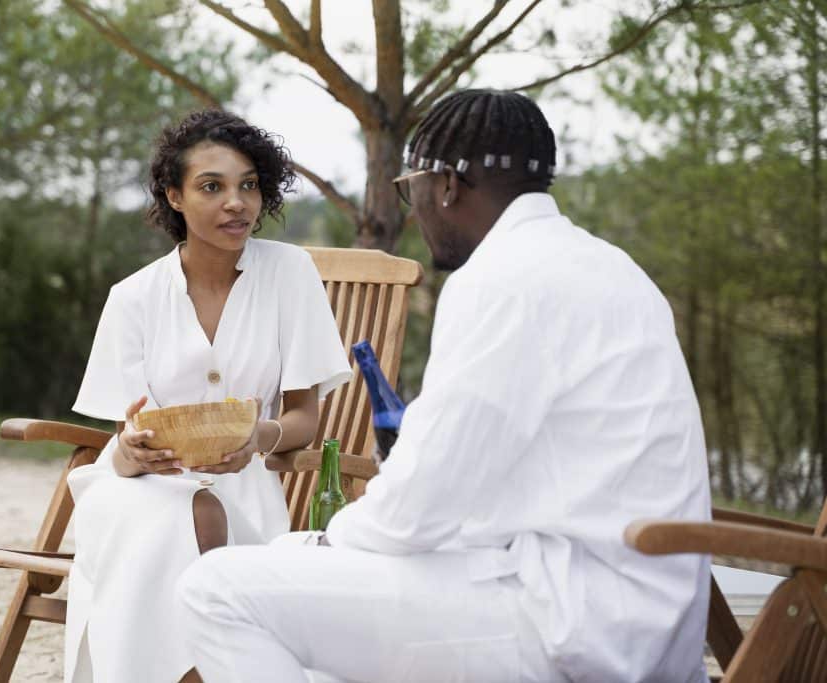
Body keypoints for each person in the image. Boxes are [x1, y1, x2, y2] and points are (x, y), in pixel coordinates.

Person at [175, 89, 712, 682]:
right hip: (637, 618)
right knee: (288, 574)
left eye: (411, 189)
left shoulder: (502, 280)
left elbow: (417, 508)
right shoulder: (613, 268)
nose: (415, 209)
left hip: (566, 626)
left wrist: (330, 541)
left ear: (447, 185)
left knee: (217, 589)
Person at [65, 109, 351, 683]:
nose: (237, 203)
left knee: (202, 511)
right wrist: (130, 452)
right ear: (173, 196)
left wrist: (258, 438)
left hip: (245, 486)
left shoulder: (289, 273)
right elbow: (123, 440)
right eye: (211, 186)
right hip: (134, 489)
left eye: (248, 185)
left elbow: (303, 419)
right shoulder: (134, 297)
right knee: (185, 511)